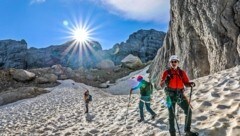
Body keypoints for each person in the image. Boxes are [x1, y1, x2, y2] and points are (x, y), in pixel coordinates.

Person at [160, 55, 198, 136]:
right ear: (170, 63)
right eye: (172, 62)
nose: (174, 63)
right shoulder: (166, 72)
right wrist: (166, 80)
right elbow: (161, 84)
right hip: (170, 95)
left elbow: (186, 82)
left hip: (179, 94)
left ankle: (187, 131)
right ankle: (172, 134)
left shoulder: (181, 72)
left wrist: (190, 84)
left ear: (178, 62)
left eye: (175, 61)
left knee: (188, 111)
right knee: (171, 115)